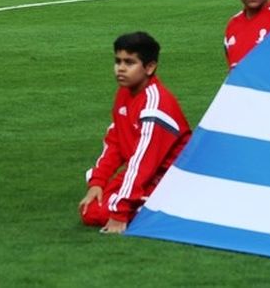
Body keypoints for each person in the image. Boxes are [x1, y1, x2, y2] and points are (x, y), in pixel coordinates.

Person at [78, 32, 191, 234]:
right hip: (143, 175)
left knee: (105, 211)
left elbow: (143, 163)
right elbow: (115, 142)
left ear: (149, 67)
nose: (121, 68)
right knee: (90, 210)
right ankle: (144, 208)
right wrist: (98, 182)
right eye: (118, 61)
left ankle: (164, 207)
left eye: (129, 63)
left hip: (166, 178)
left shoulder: (156, 105)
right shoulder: (124, 93)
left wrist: (119, 213)